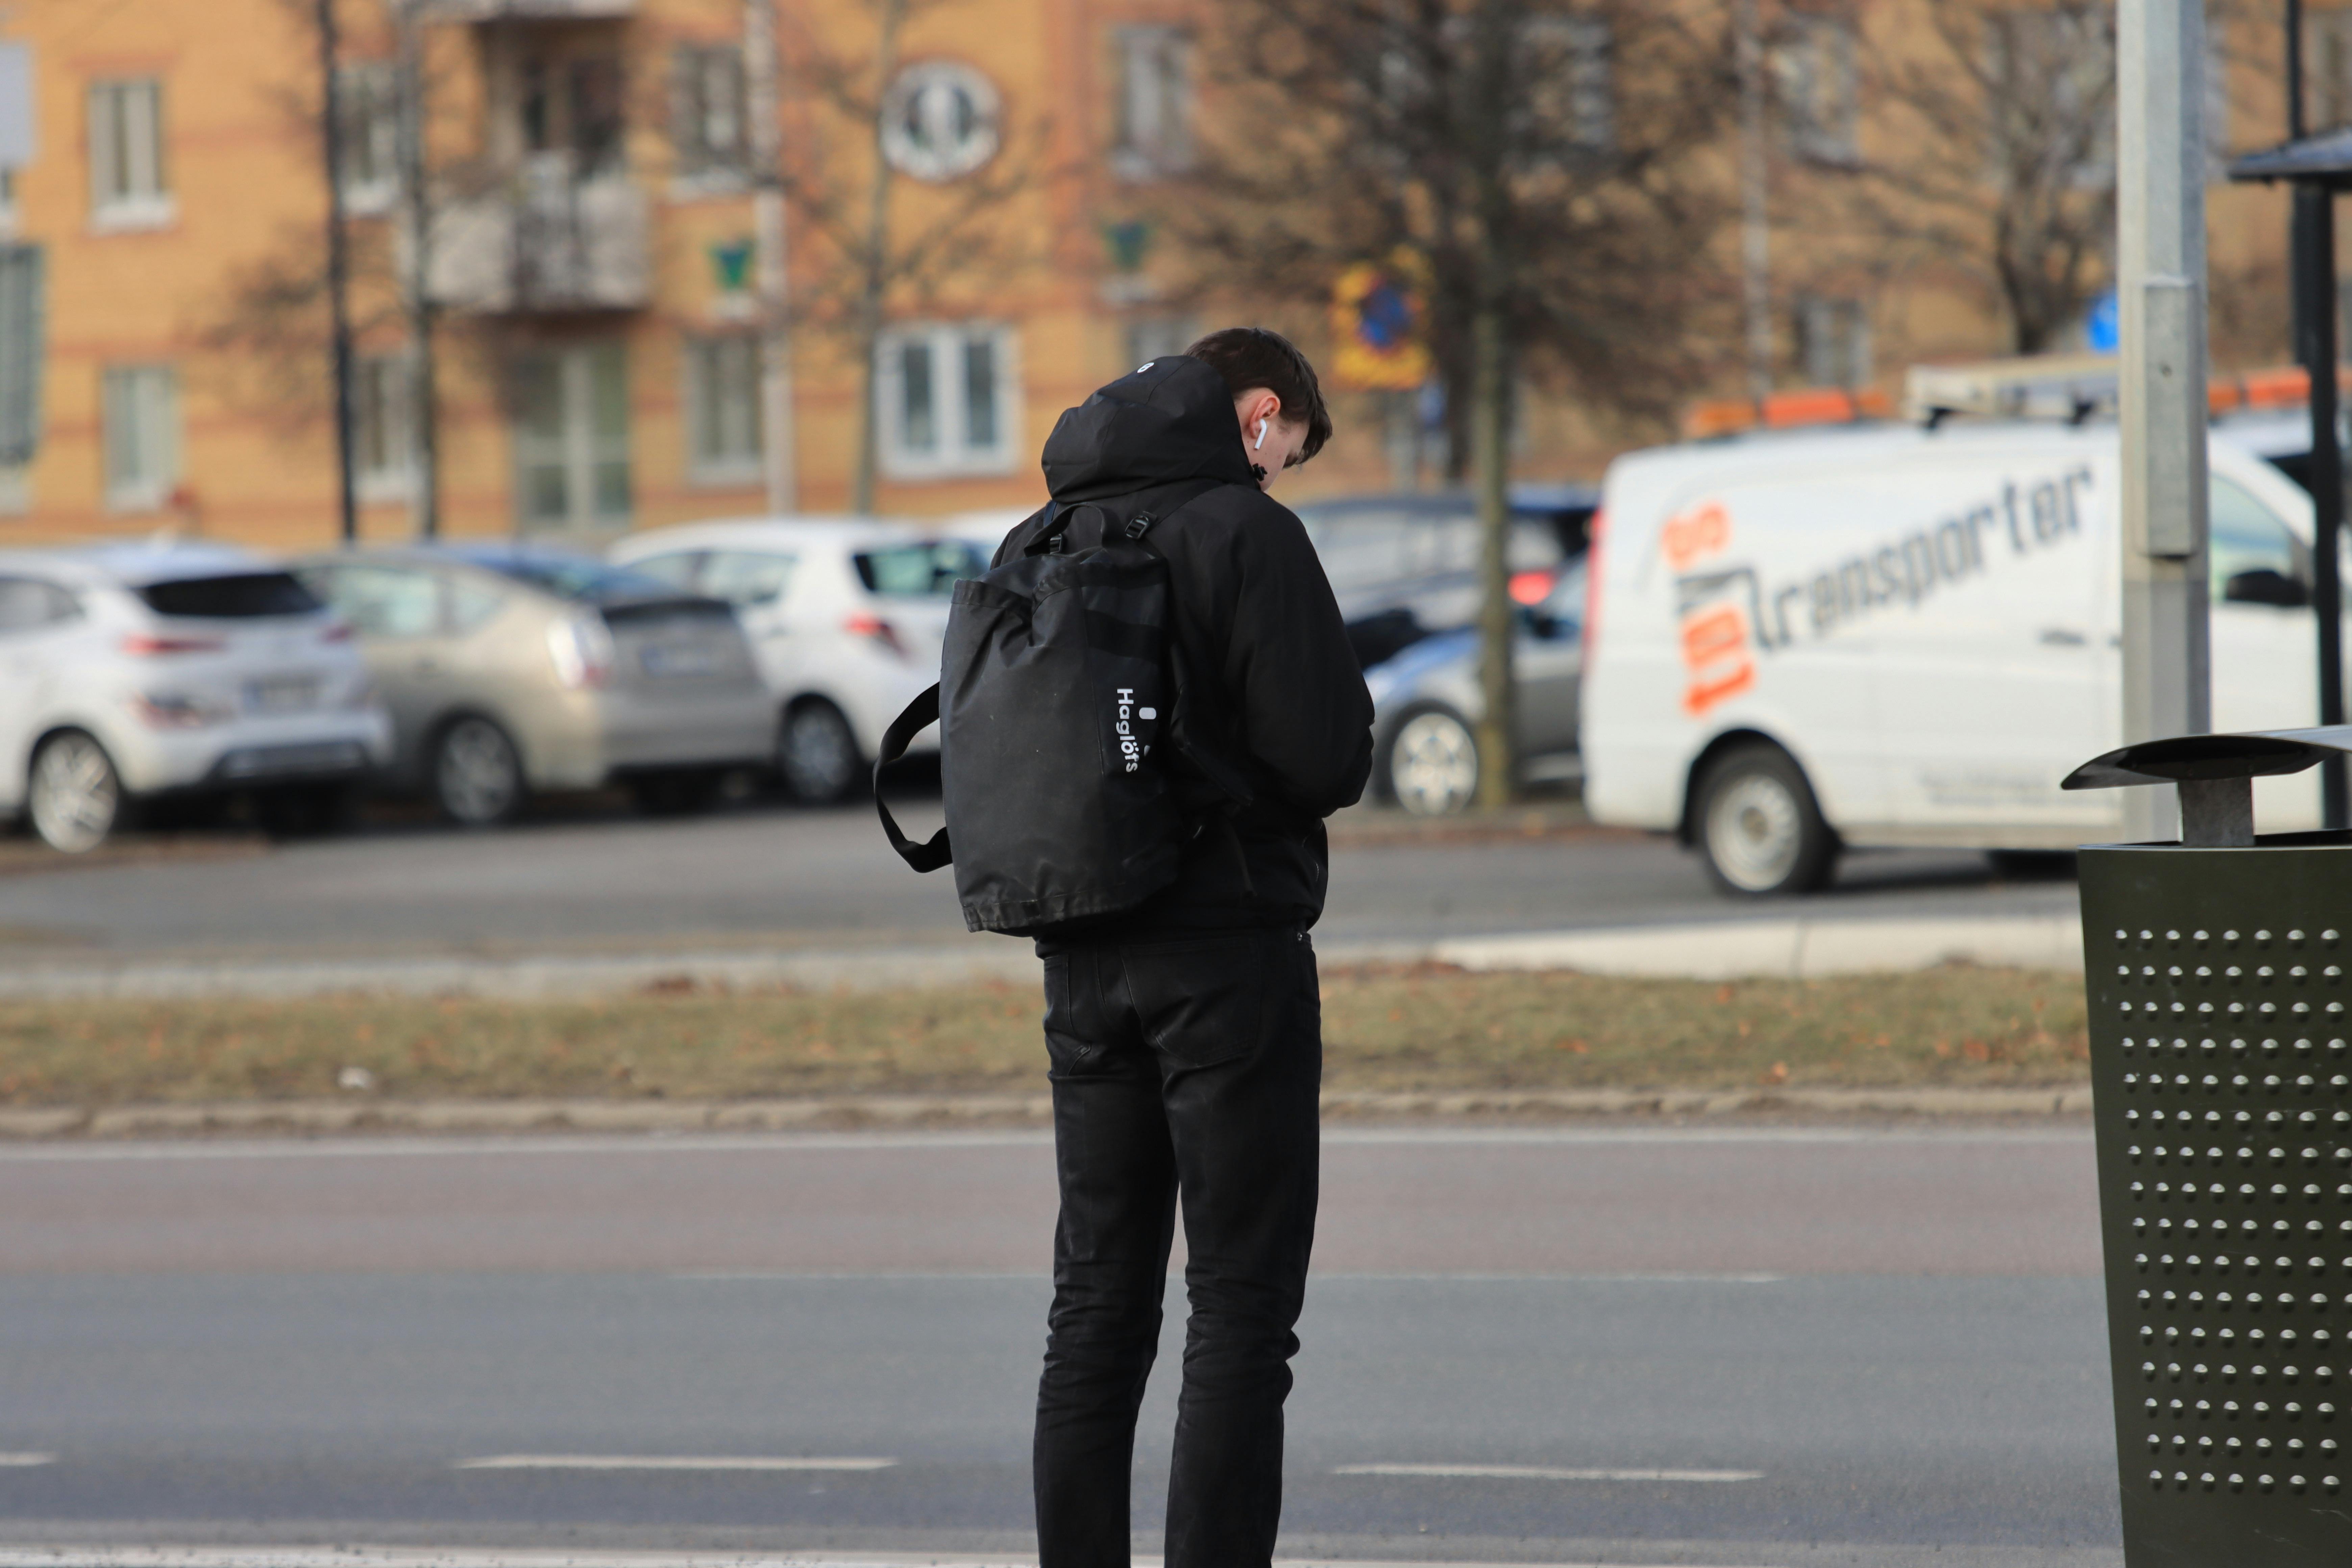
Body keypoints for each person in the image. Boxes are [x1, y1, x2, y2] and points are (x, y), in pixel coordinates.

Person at [995, 327, 1375, 1567]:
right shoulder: (1244, 532)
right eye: (1286, 454)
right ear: (1258, 414)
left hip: (1081, 952)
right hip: (1227, 961)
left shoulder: (1043, 537)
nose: (1277, 477)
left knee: (1096, 1304)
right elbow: (1326, 758)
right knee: (1242, 1311)